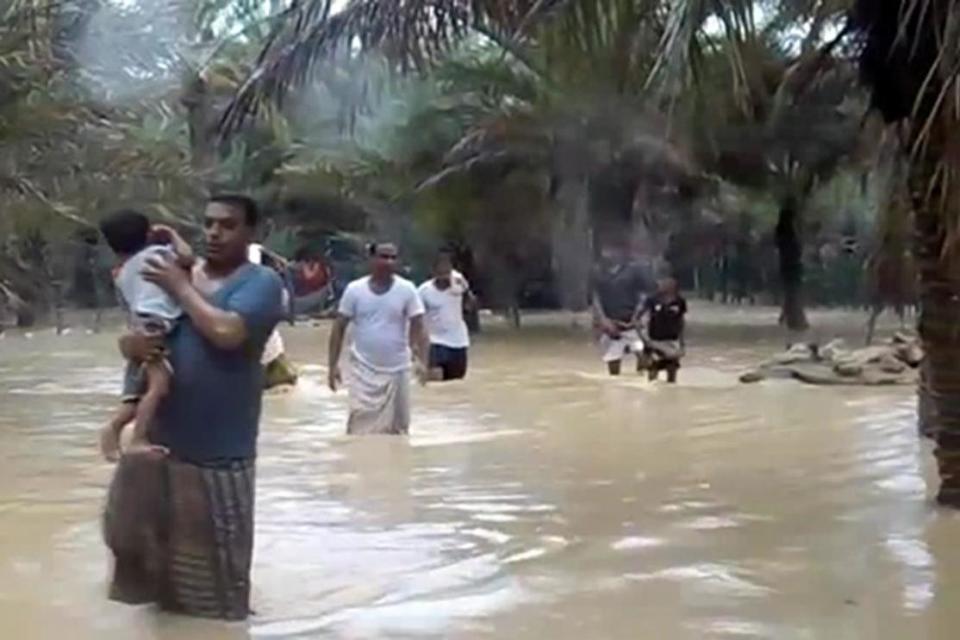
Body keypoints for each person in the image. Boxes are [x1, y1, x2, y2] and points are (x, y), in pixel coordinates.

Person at [103, 194, 284, 620]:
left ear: (251, 233)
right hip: (163, 454)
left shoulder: (260, 283)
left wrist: (179, 287)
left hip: (220, 459)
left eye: (228, 225)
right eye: (208, 224)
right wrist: (130, 344)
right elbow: (138, 330)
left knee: (219, 594)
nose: (215, 233)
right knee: (159, 590)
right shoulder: (178, 272)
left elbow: (226, 332)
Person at [98, 210, 193, 461]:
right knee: (159, 386)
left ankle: (114, 430)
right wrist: (171, 234)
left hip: (139, 326)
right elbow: (188, 257)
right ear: (149, 233)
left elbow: (129, 309)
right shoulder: (157, 255)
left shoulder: (122, 272)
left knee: (136, 392)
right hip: (155, 325)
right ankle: (136, 438)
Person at [327, 242, 430, 434]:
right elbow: (338, 327)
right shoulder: (354, 290)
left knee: (399, 431)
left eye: (393, 257)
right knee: (358, 430)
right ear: (371, 260)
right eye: (383, 257)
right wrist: (332, 366)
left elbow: (420, 326)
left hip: (398, 369)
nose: (388, 262)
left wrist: (423, 361)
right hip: (362, 370)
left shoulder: (407, 289)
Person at [590, 240, 653, 375]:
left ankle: (643, 383)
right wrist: (603, 320)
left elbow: (645, 295)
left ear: (621, 252)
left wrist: (638, 316)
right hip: (611, 324)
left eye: (611, 250)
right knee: (613, 361)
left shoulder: (634, 270)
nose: (607, 254)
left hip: (633, 323)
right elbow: (595, 298)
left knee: (642, 354)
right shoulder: (598, 273)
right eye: (605, 250)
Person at [418, 251, 475, 381]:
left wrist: (465, 290)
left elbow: (470, 306)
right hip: (435, 342)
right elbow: (417, 319)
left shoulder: (459, 284)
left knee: (456, 383)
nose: (444, 275)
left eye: (447, 270)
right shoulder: (424, 291)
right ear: (433, 272)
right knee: (435, 380)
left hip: (459, 341)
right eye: (441, 271)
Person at [640, 277, 688, 383]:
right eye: (662, 282)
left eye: (667, 282)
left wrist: (682, 344)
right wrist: (645, 339)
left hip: (672, 340)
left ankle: (671, 395)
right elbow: (638, 319)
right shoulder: (651, 300)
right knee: (653, 370)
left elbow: (681, 321)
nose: (663, 285)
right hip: (654, 340)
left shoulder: (680, 301)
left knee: (672, 370)